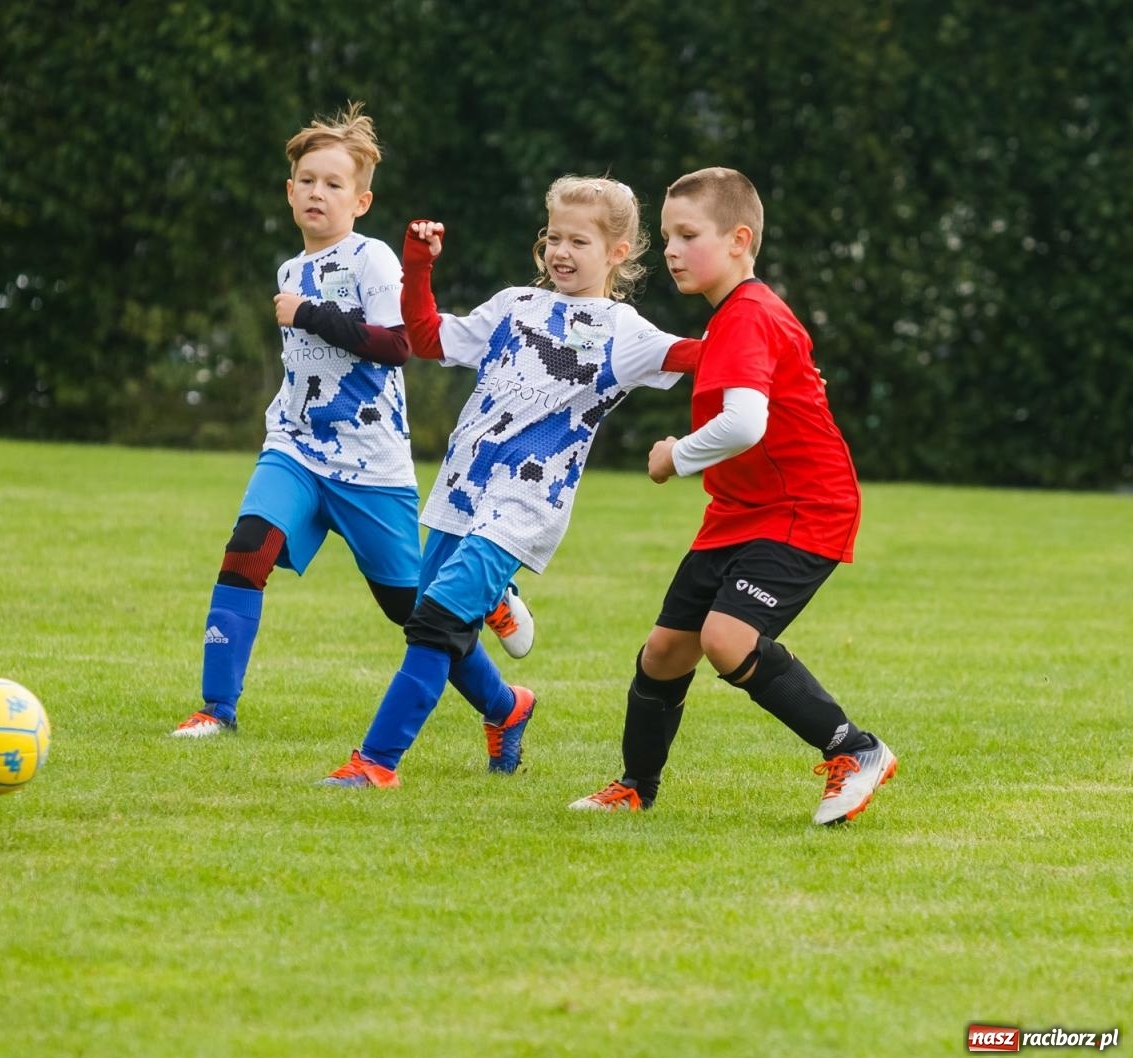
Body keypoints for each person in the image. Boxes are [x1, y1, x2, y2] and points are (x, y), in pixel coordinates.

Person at [318, 175, 702, 788]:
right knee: (437, 620)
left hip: (525, 504)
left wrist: (771, 350)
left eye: (579, 241)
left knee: (434, 625)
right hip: (459, 495)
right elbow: (426, 338)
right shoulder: (513, 306)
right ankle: (507, 708)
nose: (561, 252)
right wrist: (418, 268)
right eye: (553, 237)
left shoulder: (623, 332)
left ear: (618, 253)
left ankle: (374, 764)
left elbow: (701, 356)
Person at [171, 103, 532, 741]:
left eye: (334, 184)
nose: (318, 192)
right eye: (307, 180)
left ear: (361, 201)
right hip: (294, 447)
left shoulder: (373, 261)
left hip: (371, 467)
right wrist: (304, 309)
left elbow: (397, 345)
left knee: (413, 611)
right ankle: (215, 711)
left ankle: (505, 706)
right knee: (245, 552)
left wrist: (307, 312)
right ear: (289, 192)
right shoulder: (289, 269)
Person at [568, 166, 896, 825]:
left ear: (740, 240)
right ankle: (635, 786)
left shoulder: (747, 316)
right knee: (665, 651)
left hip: (805, 508)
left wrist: (674, 457)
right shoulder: (733, 321)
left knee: (725, 638)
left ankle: (856, 750)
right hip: (740, 515)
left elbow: (748, 423)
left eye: (689, 235)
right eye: (666, 237)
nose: (671, 250)